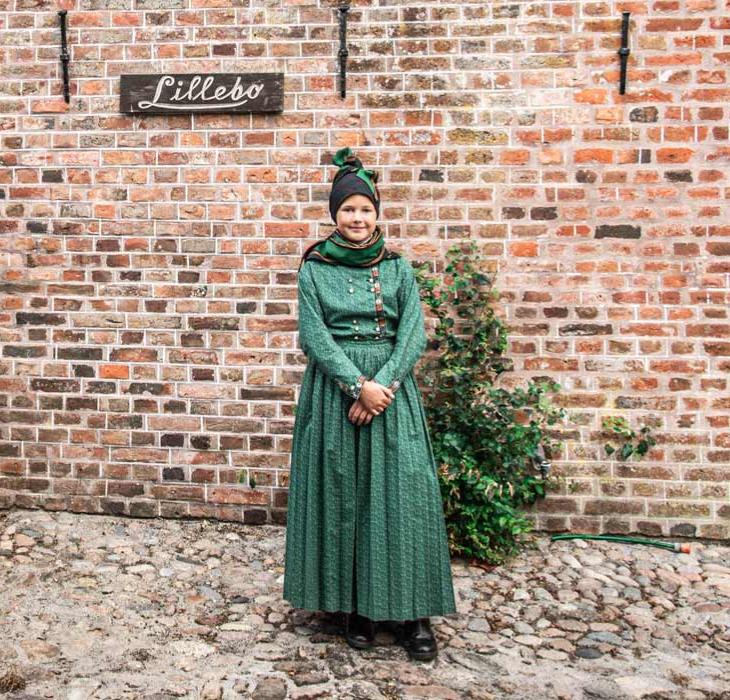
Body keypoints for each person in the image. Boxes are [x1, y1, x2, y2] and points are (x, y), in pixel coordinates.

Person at [283, 147, 457, 661]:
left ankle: (414, 613)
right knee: (348, 499)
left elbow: (414, 333)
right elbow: (313, 334)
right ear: (334, 215)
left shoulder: (399, 269)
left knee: (403, 498)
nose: (357, 218)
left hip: (392, 394)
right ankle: (356, 607)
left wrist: (382, 384)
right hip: (336, 394)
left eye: (365, 209)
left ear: (377, 213)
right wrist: (355, 384)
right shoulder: (313, 269)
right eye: (347, 210)